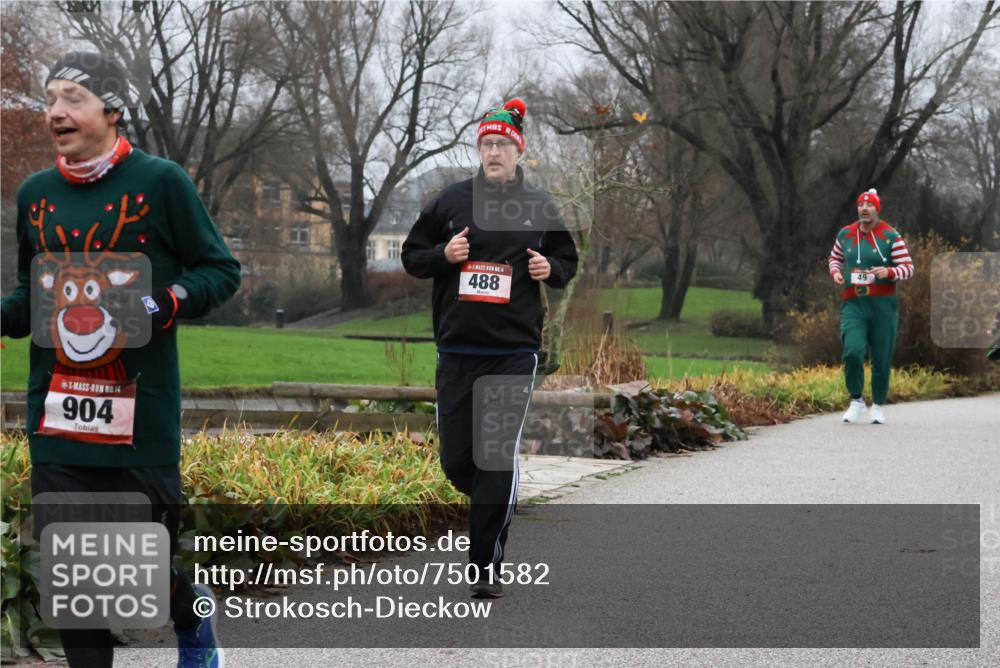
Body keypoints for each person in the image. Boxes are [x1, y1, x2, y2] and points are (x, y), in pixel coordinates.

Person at [0, 52, 240, 667]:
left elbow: (219, 270)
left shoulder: (161, 183)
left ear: (113, 109)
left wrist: (163, 302)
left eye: (72, 98)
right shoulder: (35, 195)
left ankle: (191, 613)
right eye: (50, 99)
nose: (55, 111)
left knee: (139, 568)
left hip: (139, 419)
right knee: (76, 580)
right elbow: (32, 298)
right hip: (58, 419)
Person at [402, 98, 578, 598]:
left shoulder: (540, 206)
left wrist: (550, 268)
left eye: (503, 145)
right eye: (487, 145)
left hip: (513, 352)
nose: (494, 152)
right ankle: (496, 498)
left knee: (496, 457)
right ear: (479, 151)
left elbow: (566, 261)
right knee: (458, 463)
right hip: (458, 350)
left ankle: (484, 567)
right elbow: (412, 256)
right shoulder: (450, 201)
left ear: (518, 152)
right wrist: (445, 254)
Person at [828, 189, 914, 424]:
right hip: (854, 303)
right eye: (861, 205)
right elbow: (835, 257)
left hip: (883, 305)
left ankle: (877, 405)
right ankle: (856, 400)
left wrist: (889, 272)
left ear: (877, 209)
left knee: (881, 356)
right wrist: (836, 272)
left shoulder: (890, 236)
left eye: (869, 205)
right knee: (852, 350)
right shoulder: (846, 234)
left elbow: (908, 268)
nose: (864, 209)